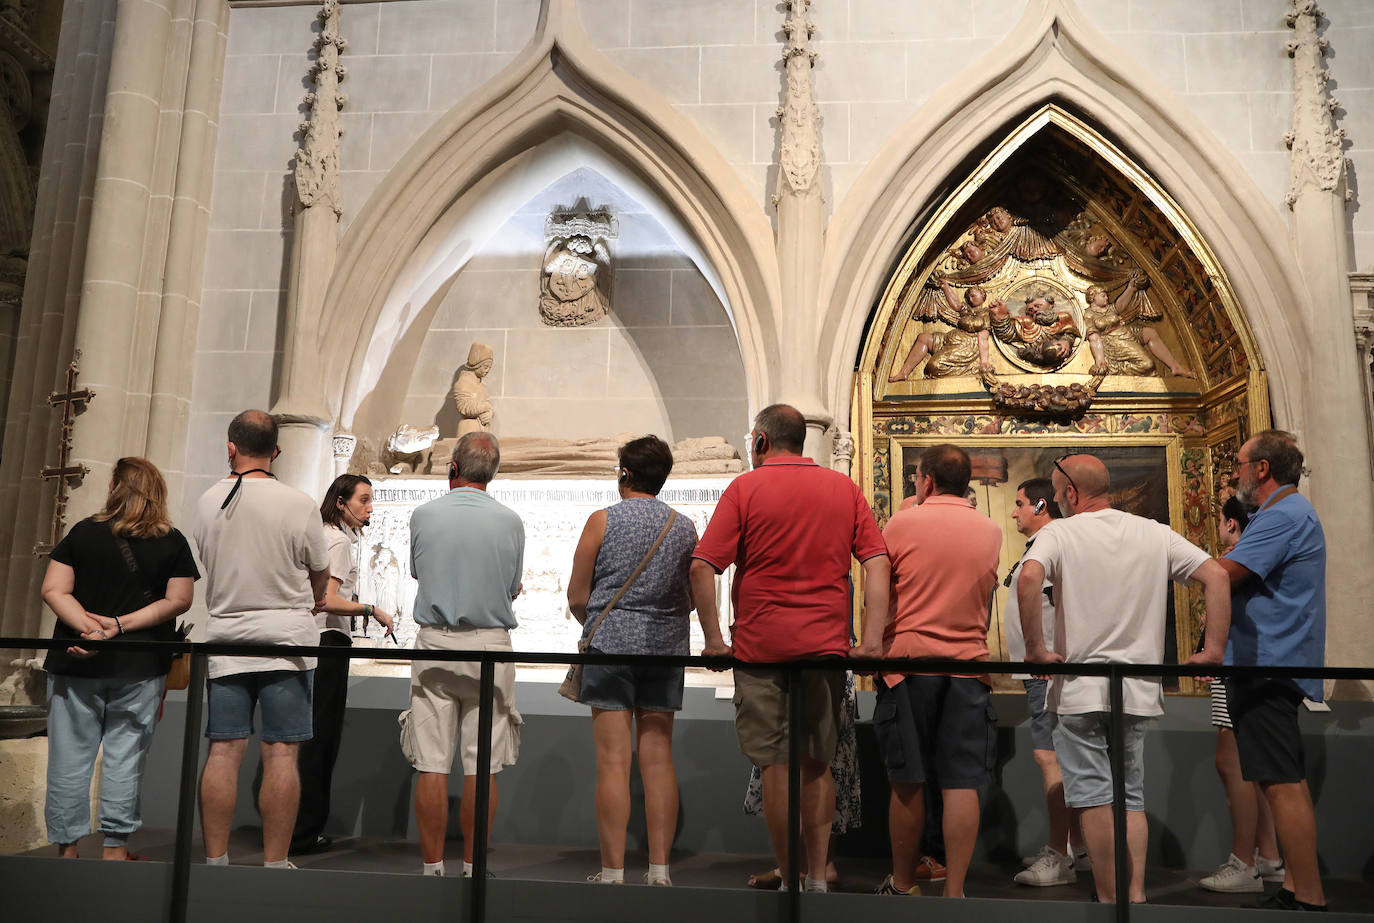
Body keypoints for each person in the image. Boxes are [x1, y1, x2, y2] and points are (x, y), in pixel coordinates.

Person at [691, 403, 890, 894]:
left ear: (760, 441)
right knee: (817, 763)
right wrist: (871, 641)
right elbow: (878, 561)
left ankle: (790, 878)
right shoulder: (842, 488)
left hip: (760, 650)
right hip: (824, 649)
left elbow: (702, 567)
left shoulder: (745, 488)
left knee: (775, 765)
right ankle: (819, 876)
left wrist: (715, 641)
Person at [1017, 453, 1230, 903]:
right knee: (1130, 796)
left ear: (1072, 493)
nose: (1059, 501)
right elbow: (1216, 576)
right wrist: (1213, 651)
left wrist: (1037, 649)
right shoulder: (1153, 532)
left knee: (1094, 798)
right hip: (1135, 689)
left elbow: (1029, 577)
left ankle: (1109, 901)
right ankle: (1134, 897)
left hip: (1080, 688)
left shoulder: (1059, 531)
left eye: (1058, 495)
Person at [40, 457, 199, 860]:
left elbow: (54, 590)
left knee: (68, 758)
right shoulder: (172, 540)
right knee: (126, 757)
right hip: (140, 665)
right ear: (158, 491)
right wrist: (119, 626)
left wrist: (89, 630)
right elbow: (179, 600)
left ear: (114, 486)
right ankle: (115, 849)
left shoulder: (83, 532)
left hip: (76, 659)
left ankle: (67, 851)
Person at [194, 410, 331, 868]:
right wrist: (309, 598)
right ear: (276, 451)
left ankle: (216, 860)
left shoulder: (208, 500)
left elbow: (209, 563)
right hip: (286, 639)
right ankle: (274, 863)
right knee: (282, 753)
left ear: (230, 447)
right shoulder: (297, 502)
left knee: (224, 749)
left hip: (227, 636)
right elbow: (320, 572)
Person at [566, 436, 700, 886]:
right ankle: (660, 870)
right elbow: (692, 598)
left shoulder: (601, 521)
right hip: (665, 650)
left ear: (624, 473)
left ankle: (613, 871)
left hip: (610, 648)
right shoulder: (684, 527)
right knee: (659, 758)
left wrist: (605, 623)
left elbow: (577, 596)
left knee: (613, 762)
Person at [874, 444, 1002, 898]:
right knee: (961, 781)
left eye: (915, 480)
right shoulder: (991, 530)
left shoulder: (902, 522)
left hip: (909, 666)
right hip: (968, 668)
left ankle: (904, 883)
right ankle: (957, 891)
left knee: (908, 781)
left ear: (927, 480)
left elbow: (881, 590)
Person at [404, 432, 524, 877]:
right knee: (482, 765)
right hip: (488, 646)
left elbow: (419, 572)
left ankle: (432, 867)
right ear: (491, 474)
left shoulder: (424, 514)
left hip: (435, 642)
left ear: (453, 467)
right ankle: (473, 867)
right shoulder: (510, 521)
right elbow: (513, 586)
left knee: (431, 763)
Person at [1216, 431, 1326, 911]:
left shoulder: (1283, 515)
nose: (1235, 473)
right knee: (1281, 780)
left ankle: (1310, 897)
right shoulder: (1280, 514)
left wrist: (1171, 563)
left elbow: (1227, 573)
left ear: (1262, 469)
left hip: (1268, 664)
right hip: (1269, 662)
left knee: (1281, 782)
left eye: (1240, 463)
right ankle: (1296, 889)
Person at [287, 474, 395, 854]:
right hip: (328, 641)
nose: (370, 508)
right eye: (363, 500)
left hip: (319, 641)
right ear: (340, 502)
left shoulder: (330, 537)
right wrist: (371, 609)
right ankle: (303, 831)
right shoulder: (337, 541)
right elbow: (326, 599)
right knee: (321, 737)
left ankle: (299, 829)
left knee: (314, 736)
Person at [1001, 477, 1088, 886]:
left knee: (1050, 757)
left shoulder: (1051, 540)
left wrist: (1042, 654)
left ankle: (1060, 854)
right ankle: (1075, 846)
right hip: (1040, 669)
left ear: (1040, 505)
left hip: (1045, 669)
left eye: (1019, 504)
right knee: (1057, 758)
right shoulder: (1045, 543)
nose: (1014, 512)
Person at [1199, 496, 1283, 893]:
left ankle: (1245, 861)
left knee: (1232, 762)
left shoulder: (1235, 561)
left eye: (1219, 520)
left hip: (1240, 667)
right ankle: (1267, 854)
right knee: (1248, 765)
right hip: (1242, 666)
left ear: (1232, 524)